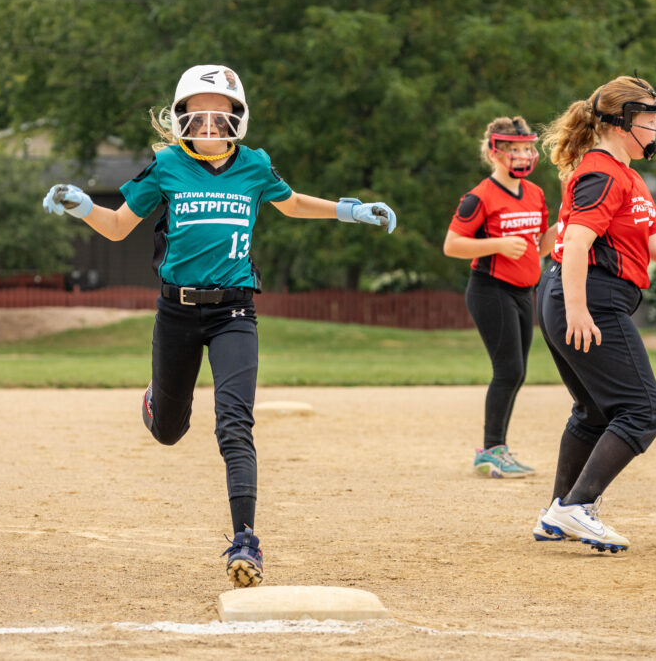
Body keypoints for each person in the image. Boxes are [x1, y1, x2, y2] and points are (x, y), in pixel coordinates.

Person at [42, 64, 397, 586]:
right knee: (168, 430)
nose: (209, 126)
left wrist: (350, 211)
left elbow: (292, 203)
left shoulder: (254, 166)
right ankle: (155, 400)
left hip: (235, 312)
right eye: (198, 115)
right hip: (177, 313)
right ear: (181, 119)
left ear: (237, 118)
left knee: (235, 425)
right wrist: (83, 206)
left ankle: (245, 540)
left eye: (220, 115)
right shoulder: (165, 165)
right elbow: (118, 227)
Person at [533, 73, 656, 552]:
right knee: (643, 410)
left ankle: (559, 513)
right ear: (622, 123)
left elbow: (654, 239)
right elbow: (574, 242)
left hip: (576, 295)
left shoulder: (626, 175)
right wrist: (577, 309)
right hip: (589, 297)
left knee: (595, 410)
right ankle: (578, 507)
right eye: (650, 120)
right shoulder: (601, 172)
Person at [443, 117, 553, 478]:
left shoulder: (535, 194)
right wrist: (498, 244)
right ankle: (490, 451)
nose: (524, 155)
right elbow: (452, 245)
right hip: (491, 288)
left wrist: (571, 220)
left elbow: (540, 247)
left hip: (525, 291)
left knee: (516, 373)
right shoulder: (480, 197)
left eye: (527, 148)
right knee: (509, 370)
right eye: (515, 150)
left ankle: (496, 449)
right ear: (495, 152)